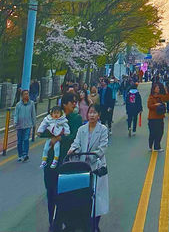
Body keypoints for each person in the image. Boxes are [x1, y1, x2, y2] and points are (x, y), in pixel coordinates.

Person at [43, 92, 82, 229]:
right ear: (65, 104)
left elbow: (74, 137)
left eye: (75, 102)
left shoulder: (76, 118)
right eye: (72, 102)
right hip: (51, 159)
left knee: (63, 192)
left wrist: (59, 138)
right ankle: (52, 221)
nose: (74, 104)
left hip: (67, 160)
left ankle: (60, 221)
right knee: (51, 192)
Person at [67, 105, 109, 232]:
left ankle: (95, 224)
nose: (91, 115)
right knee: (83, 195)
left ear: (98, 115)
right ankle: (84, 222)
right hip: (82, 167)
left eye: (94, 113)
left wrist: (91, 157)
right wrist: (73, 150)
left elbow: (103, 147)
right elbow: (76, 143)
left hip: (97, 166)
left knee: (98, 197)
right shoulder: (82, 129)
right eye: (90, 112)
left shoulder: (103, 129)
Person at [13, 89, 36, 162]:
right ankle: (20, 155)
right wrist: (15, 122)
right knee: (19, 141)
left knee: (26, 139)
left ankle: (25, 154)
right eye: (25, 94)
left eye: (27, 94)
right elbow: (16, 114)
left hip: (28, 125)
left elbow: (33, 114)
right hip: (20, 125)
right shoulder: (18, 105)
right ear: (22, 96)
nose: (26, 95)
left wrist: (34, 123)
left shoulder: (31, 103)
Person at [147, 82, 169, 151]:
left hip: (160, 117)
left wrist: (166, 92)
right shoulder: (151, 97)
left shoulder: (160, 96)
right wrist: (156, 105)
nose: (158, 89)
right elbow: (149, 106)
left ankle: (157, 146)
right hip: (152, 118)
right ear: (154, 89)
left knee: (160, 132)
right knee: (153, 133)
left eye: (158, 88)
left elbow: (167, 98)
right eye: (157, 88)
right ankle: (150, 146)